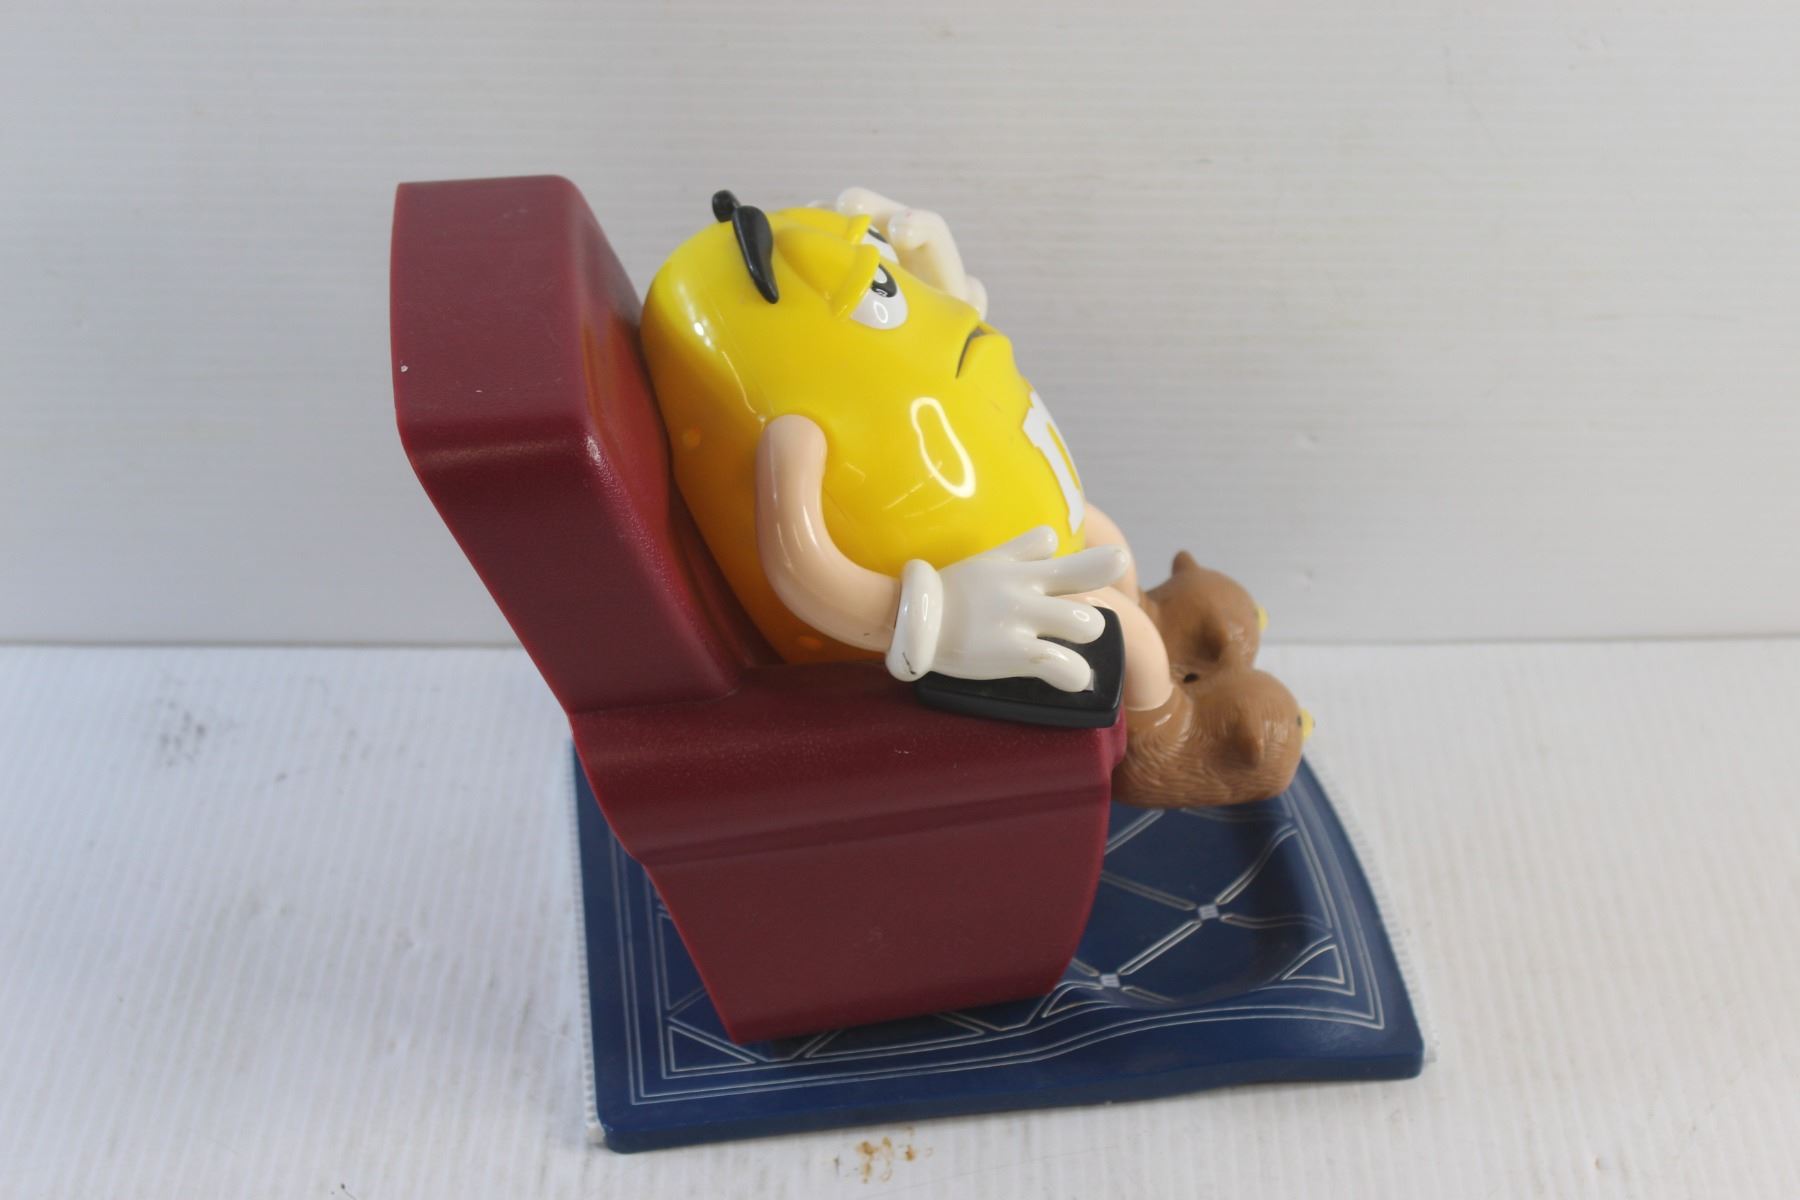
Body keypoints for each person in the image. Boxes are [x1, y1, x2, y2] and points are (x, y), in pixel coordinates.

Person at [639, 188, 1308, 806]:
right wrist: (937, 614)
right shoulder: (793, 435)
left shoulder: (905, 342)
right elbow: (800, 570)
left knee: (1113, 565)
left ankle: (1151, 619)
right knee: (1112, 623)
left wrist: (930, 263)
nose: (956, 312)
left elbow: (930, 324)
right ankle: (1164, 727)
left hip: (1051, 547)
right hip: (948, 622)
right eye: (880, 284)